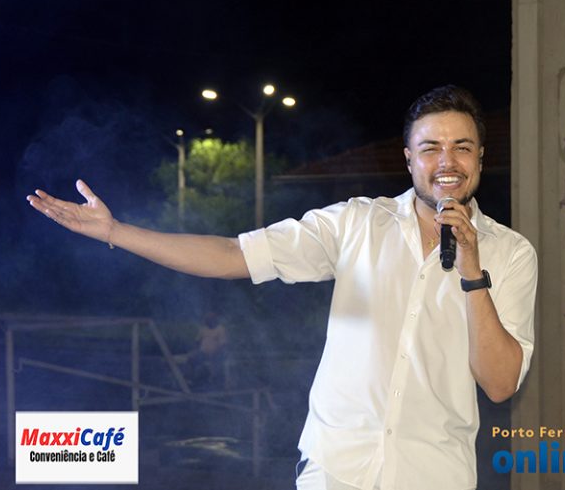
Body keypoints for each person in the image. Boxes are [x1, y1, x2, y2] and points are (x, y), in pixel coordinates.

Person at [27, 85, 537, 490]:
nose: (447, 161)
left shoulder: (511, 253)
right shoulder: (356, 223)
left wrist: (472, 270)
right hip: (336, 470)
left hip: (435, 476)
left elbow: (499, 384)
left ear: (480, 157)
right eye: (431, 148)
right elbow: (233, 254)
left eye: (461, 147)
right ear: (409, 159)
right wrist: (117, 232)